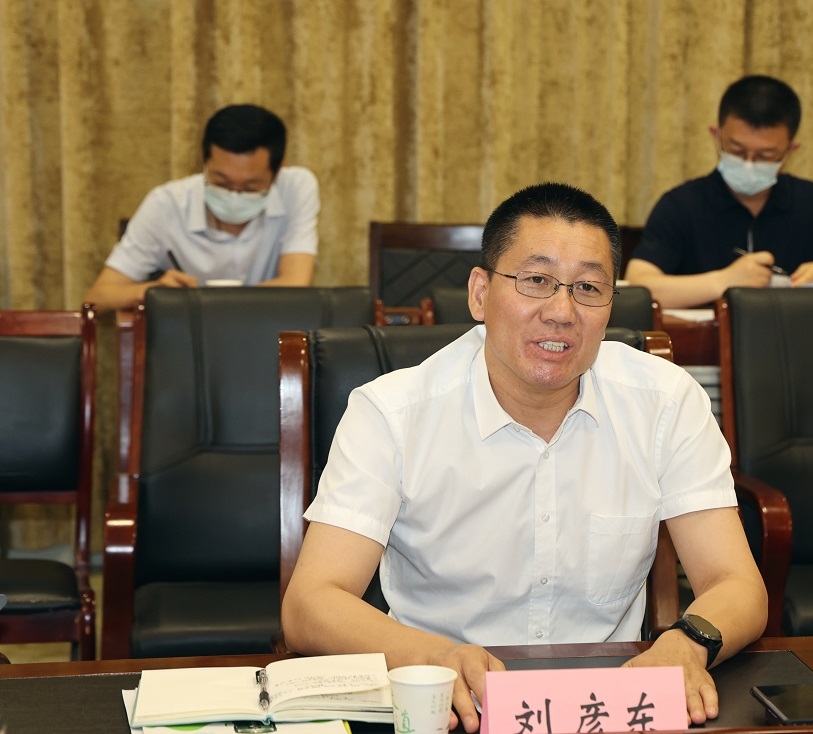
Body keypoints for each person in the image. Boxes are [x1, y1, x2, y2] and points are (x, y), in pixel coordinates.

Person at [281, 182, 767, 730]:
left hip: (604, 706)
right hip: (447, 707)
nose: (561, 312)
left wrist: (687, 643)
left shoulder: (665, 402)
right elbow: (311, 602)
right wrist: (432, 656)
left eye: (588, 287)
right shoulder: (392, 413)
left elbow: (736, 583)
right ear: (480, 293)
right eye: (536, 280)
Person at [625, 75, 813, 309]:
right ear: (716, 136)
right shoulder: (681, 204)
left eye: (765, 156)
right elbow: (638, 284)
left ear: (790, 151)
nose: (749, 163)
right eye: (737, 150)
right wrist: (723, 281)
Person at [84, 104, 319, 313]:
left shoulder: (296, 187)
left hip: (270, 336)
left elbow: (296, 283)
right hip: (188, 342)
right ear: (204, 161)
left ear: (277, 173)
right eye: (221, 182)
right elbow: (97, 298)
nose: (234, 195)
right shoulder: (166, 204)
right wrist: (154, 292)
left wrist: (206, 304)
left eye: (250, 186)